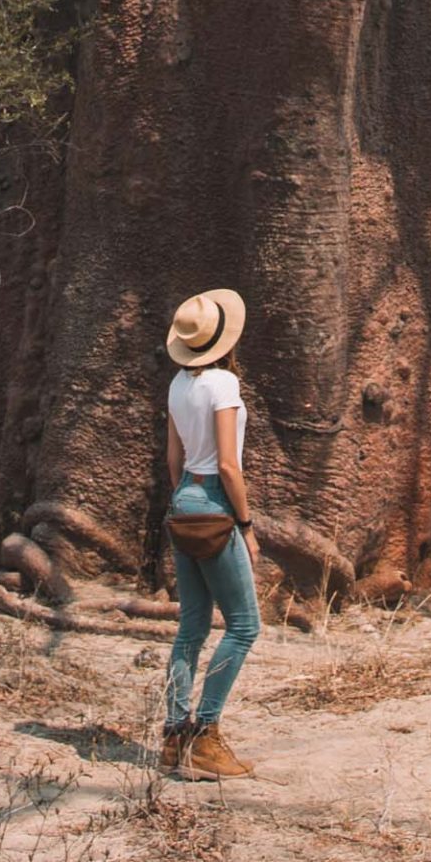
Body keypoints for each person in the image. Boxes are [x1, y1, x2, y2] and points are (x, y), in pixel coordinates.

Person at [161, 287, 262, 780]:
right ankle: (206, 734)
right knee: (244, 626)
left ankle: (172, 736)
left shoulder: (177, 385)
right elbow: (227, 463)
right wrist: (245, 524)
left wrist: (184, 499)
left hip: (182, 499)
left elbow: (173, 460)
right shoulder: (222, 384)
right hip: (217, 504)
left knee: (192, 627)